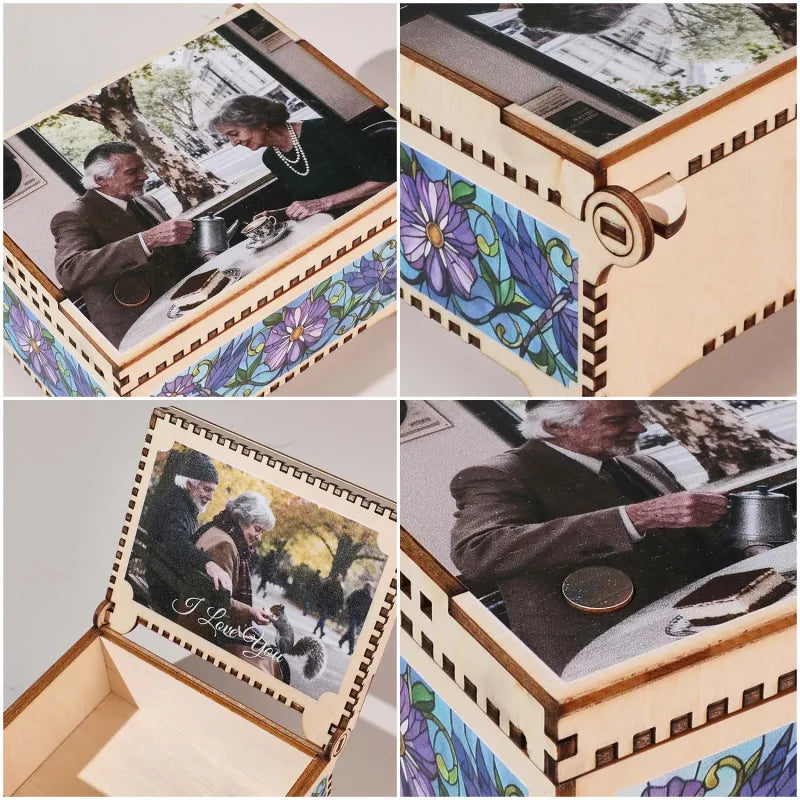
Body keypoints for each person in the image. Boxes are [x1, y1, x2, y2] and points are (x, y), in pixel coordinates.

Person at [450, 400, 730, 676]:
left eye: (636, 416)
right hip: (606, 652)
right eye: (616, 421)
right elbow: (479, 551)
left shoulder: (644, 464)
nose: (640, 428)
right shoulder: (499, 474)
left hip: (699, 625)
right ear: (554, 426)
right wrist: (635, 517)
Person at [50, 142, 197, 348]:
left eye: (143, 168)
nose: (144, 176)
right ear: (101, 180)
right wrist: (146, 240)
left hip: (183, 307)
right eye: (132, 172)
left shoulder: (148, 201)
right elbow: (70, 271)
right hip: (139, 328)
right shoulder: (74, 215)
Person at [210, 96, 393, 221]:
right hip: (338, 222)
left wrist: (322, 204)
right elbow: (312, 200)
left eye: (234, 133)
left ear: (260, 121)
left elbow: (385, 179)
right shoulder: (271, 157)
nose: (233, 143)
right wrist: (281, 214)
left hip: (380, 211)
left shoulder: (325, 131)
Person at [144, 450, 230, 618]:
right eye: (207, 489)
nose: (211, 497)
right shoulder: (178, 505)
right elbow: (176, 540)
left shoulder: (181, 502)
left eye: (213, 491)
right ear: (190, 485)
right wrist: (208, 563)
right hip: (164, 587)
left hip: (161, 575)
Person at [338, 581, 373, 655]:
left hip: (360, 618)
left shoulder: (370, 599)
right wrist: (350, 609)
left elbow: (369, 610)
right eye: (368, 586)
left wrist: (365, 618)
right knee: (352, 632)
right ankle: (351, 649)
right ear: (365, 586)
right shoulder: (357, 593)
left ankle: (341, 641)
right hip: (352, 615)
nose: (368, 588)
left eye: (370, 587)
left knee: (351, 632)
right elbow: (348, 600)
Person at [313, 572, 344, 638]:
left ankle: (315, 629)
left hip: (331, 605)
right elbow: (321, 590)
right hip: (324, 602)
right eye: (339, 578)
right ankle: (321, 632)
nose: (340, 579)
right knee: (323, 617)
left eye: (340, 578)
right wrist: (325, 596)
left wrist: (340, 607)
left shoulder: (340, 588)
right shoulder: (329, 582)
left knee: (322, 618)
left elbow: (341, 598)